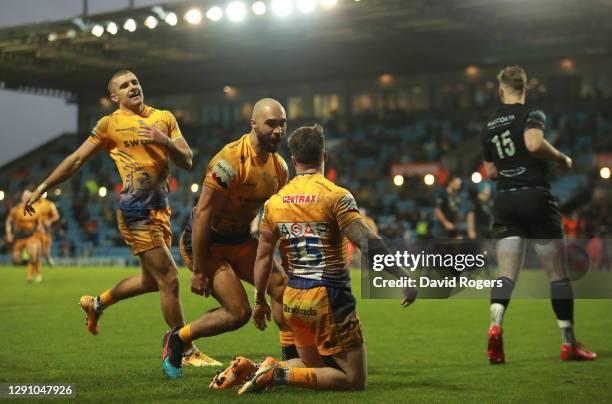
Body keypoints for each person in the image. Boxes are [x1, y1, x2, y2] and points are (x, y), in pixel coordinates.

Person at [24, 69, 213, 368]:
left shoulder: (164, 118)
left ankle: (97, 304)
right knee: (170, 279)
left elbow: (188, 161)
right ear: (115, 97)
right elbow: (75, 160)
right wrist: (43, 187)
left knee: (152, 281)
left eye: (135, 82)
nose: (132, 87)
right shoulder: (109, 124)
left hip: (161, 209)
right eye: (124, 86)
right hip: (135, 210)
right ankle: (184, 349)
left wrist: (164, 140)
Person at [231, 124, 414, 394]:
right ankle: (278, 375)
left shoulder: (274, 203)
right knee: (353, 380)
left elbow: (263, 258)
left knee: (312, 366)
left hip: (293, 298)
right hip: (329, 298)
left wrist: (260, 300)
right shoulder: (335, 196)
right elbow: (366, 242)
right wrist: (402, 276)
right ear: (324, 156)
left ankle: (258, 368)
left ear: (293, 160)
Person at [163, 98, 292, 380]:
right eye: (271, 123)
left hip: (241, 240)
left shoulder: (280, 168)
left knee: (282, 285)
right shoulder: (229, 161)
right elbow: (202, 216)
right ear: (254, 124)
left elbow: (277, 216)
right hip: (208, 242)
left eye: (282, 124)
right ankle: (178, 338)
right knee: (238, 312)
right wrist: (198, 270)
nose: (278, 130)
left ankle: (290, 361)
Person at [482, 65, 596, 363]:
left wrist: (508, 168)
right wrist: (562, 158)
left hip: (505, 202)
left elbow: (491, 172)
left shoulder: (490, 125)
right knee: (557, 275)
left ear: (500, 90)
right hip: (535, 197)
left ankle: (495, 326)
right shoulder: (532, 113)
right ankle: (568, 343)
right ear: (525, 89)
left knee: (507, 274)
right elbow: (534, 144)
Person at [6, 190, 43, 282]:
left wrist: (39, 228)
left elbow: (39, 223)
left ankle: (32, 275)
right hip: (19, 237)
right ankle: (34, 271)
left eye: (28, 197)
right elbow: (8, 222)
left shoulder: (36, 209)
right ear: (22, 198)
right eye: (25, 196)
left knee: (33, 255)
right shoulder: (16, 210)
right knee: (17, 260)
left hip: (31, 236)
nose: (26, 198)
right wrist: (9, 233)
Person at [34, 194, 60, 267]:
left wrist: (49, 221)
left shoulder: (49, 204)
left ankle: (49, 260)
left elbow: (56, 216)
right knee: (36, 249)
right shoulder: (32, 203)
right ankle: (36, 267)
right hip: (34, 230)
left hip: (45, 230)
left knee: (45, 252)